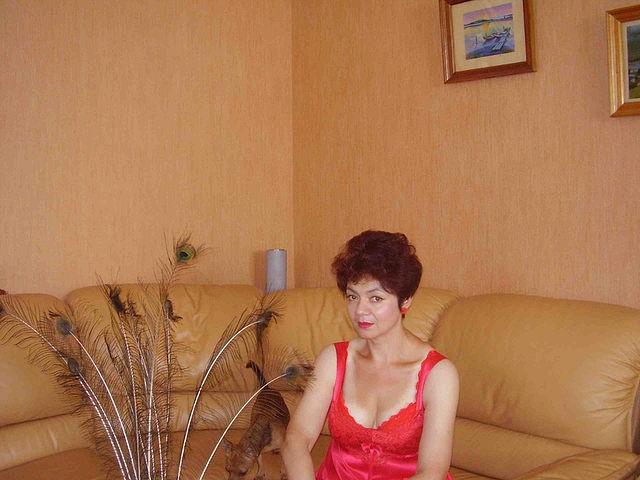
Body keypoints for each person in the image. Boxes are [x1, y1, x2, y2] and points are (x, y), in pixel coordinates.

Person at [282, 230, 459, 480]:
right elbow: (297, 437)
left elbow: (432, 471)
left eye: (375, 298)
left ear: (406, 301)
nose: (360, 310)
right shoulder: (334, 359)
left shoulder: (439, 374)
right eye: (353, 296)